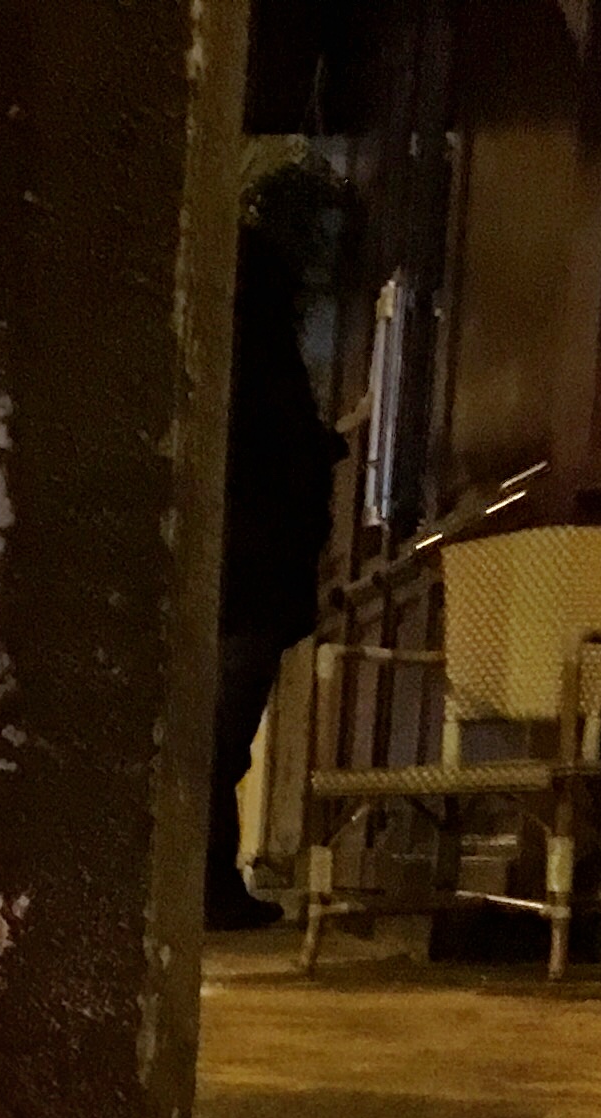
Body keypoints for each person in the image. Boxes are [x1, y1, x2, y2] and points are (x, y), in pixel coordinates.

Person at [210, 167, 346, 931]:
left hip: (240, 564)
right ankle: (210, 885)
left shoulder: (233, 324)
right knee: (222, 736)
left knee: (217, 736)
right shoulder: (261, 336)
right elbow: (277, 448)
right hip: (253, 569)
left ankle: (210, 883)